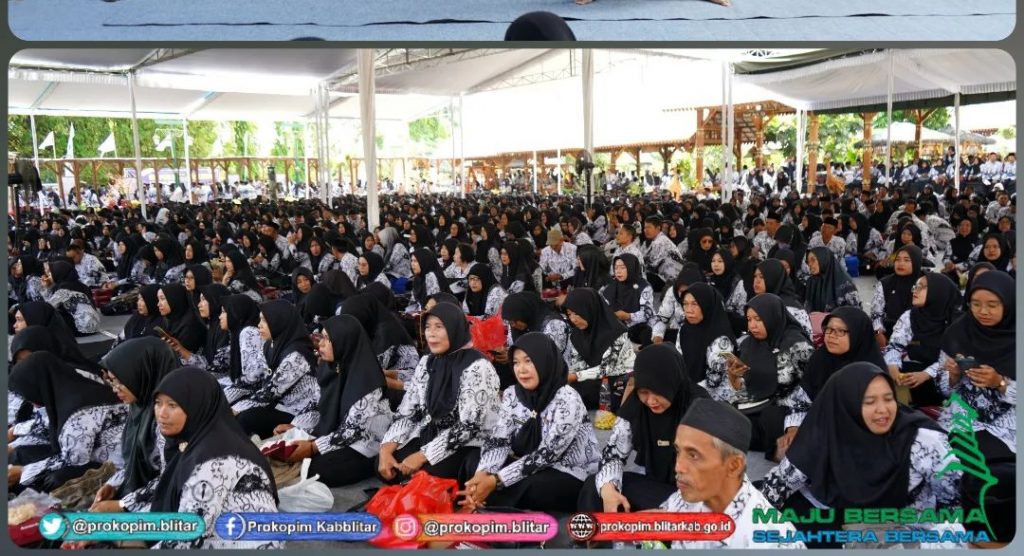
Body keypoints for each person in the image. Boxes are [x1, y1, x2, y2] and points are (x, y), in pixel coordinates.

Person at [760, 363, 963, 548]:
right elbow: (775, 487)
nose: (883, 410)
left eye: (888, 398)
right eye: (869, 402)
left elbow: (957, 501)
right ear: (846, 405)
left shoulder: (922, 440)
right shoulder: (827, 431)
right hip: (844, 522)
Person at [460, 333, 598, 513]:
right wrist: (483, 473)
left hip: (566, 471)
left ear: (544, 362)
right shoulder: (512, 394)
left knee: (533, 486)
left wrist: (496, 480)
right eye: (516, 362)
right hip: (525, 463)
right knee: (474, 460)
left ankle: (486, 497)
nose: (521, 369)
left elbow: (547, 455)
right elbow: (499, 440)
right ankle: (482, 494)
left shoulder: (567, 399)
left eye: (528, 361)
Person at [148, 367, 280, 549]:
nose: (161, 413)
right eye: (158, 403)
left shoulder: (212, 462)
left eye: (172, 405)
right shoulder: (199, 438)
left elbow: (186, 536)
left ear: (196, 406)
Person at [379, 302, 501, 484]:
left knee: (423, 479)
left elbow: (469, 427)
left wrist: (422, 455)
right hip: (431, 432)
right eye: (427, 327)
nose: (431, 333)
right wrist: (386, 449)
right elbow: (409, 411)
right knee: (387, 465)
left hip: (468, 442)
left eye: (439, 327)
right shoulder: (427, 362)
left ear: (454, 328)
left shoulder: (478, 367)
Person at [579, 343, 709, 514]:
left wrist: (669, 509)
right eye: (644, 392)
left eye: (659, 392)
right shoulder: (636, 406)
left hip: (694, 498)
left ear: (672, 382)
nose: (651, 401)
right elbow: (614, 454)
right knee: (596, 487)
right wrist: (609, 488)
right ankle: (599, 530)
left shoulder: (699, 408)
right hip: (657, 488)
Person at [657, 398, 802, 549]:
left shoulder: (771, 541)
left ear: (733, 466)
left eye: (693, 455)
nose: (678, 467)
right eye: (678, 451)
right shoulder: (695, 489)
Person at [284, 316, 393, 487]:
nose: (320, 344)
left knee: (317, 469)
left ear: (344, 342)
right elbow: (318, 404)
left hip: (365, 441)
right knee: (293, 453)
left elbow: (351, 430)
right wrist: (296, 425)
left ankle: (373, 464)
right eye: (321, 337)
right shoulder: (331, 367)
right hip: (337, 432)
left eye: (327, 339)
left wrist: (313, 447)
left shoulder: (367, 381)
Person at [709, 293, 813, 461]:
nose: (752, 326)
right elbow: (745, 386)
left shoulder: (796, 345)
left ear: (772, 316)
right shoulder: (749, 344)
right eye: (749, 320)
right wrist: (734, 378)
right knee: (718, 416)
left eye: (758, 319)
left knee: (770, 418)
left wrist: (792, 427)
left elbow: (798, 393)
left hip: (786, 409)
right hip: (755, 405)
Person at [7, 352, 127, 493]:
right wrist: (14, 431)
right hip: (95, 453)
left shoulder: (76, 417)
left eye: (28, 395)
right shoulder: (73, 386)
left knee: (54, 479)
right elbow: (48, 423)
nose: (31, 403)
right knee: (23, 454)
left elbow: (73, 460)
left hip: (121, 467)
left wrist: (23, 471)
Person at [91, 337, 179, 513]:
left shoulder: (169, 419)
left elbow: (170, 480)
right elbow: (133, 460)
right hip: (144, 493)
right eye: (111, 381)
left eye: (119, 381)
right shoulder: (140, 406)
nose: (114, 388)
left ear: (142, 374)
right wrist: (113, 484)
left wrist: (122, 505)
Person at [934, 271, 1015, 459]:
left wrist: (1000, 383)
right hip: (962, 419)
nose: (983, 312)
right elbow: (942, 389)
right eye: (976, 304)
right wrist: (953, 376)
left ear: (1009, 304)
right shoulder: (958, 332)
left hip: (1009, 425)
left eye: (992, 305)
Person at [230, 300, 321, 438]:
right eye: (260, 320)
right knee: (238, 409)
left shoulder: (297, 354)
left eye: (264, 321)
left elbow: (270, 391)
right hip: (278, 404)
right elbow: (256, 377)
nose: (259, 325)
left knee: (246, 418)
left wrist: (235, 408)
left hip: (297, 413)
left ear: (279, 321)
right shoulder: (271, 345)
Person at [883, 272, 961, 407]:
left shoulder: (957, 323)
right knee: (888, 372)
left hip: (946, 375)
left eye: (922, 287)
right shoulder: (911, 315)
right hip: (916, 369)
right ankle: (903, 408)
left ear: (938, 292)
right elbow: (895, 345)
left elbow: (951, 361)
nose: (915, 290)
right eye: (915, 286)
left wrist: (925, 374)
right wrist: (893, 367)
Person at [563, 288, 636, 412]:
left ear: (590, 309)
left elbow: (607, 368)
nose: (573, 319)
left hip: (619, 376)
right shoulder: (577, 334)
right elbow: (578, 364)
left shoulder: (617, 332)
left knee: (585, 392)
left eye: (577, 313)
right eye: (569, 314)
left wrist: (575, 376)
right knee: (568, 390)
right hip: (593, 376)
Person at [677, 283, 738, 387]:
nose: (688, 310)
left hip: (714, 393)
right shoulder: (684, 330)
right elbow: (678, 363)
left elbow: (714, 381)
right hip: (689, 388)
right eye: (685, 304)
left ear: (707, 305)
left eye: (695, 304)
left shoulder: (722, 340)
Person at [870, 245, 924, 342]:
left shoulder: (925, 284)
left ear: (916, 262)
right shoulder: (885, 283)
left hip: (916, 337)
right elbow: (876, 315)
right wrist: (878, 333)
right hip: (888, 334)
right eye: (897, 259)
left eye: (906, 260)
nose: (900, 263)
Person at [600, 254, 655, 346]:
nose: (618, 271)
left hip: (637, 326)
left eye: (623, 268)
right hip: (616, 325)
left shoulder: (644, 286)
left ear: (631, 268)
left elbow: (647, 313)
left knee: (647, 332)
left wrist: (628, 316)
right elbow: (601, 304)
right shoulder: (611, 285)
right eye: (616, 268)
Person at [39, 260, 100, 335]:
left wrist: (46, 288)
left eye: (50, 273)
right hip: (93, 326)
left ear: (58, 273)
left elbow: (48, 307)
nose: (48, 276)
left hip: (81, 328)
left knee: (51, 317)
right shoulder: (81, 285)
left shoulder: (63, 290)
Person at [752, 259, 812, 336]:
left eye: (761, 277)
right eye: (755, 276)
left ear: (773, 278)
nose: (756, 281)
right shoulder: (760, 302)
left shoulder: (789, 309)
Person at [651, 262, 704, 345]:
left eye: (690, 291)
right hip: (678, 332)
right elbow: (662, 317)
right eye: (682, 291)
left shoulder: (706, 294)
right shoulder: (672, 292)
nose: (685, 295)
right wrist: (658, 338)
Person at [157, 283, 207, 361]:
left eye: (162, 299)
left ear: (174, 298)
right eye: (158, 299)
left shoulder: (191, 325)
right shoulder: (171, 319)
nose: (158, 304)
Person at [803, 246, 861, 313]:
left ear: (823, 259)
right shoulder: (811, 281)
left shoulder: (845, 284)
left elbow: (855, 312)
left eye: (813, 260)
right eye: (808, 261)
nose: (809, 264)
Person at [407, 248, 449, 313]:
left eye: (415, 261)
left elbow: (433, 304)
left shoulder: (431, 276)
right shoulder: (418, 278)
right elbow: (413, 301)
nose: (412, 264)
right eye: (412, 261)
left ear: (424, 261)